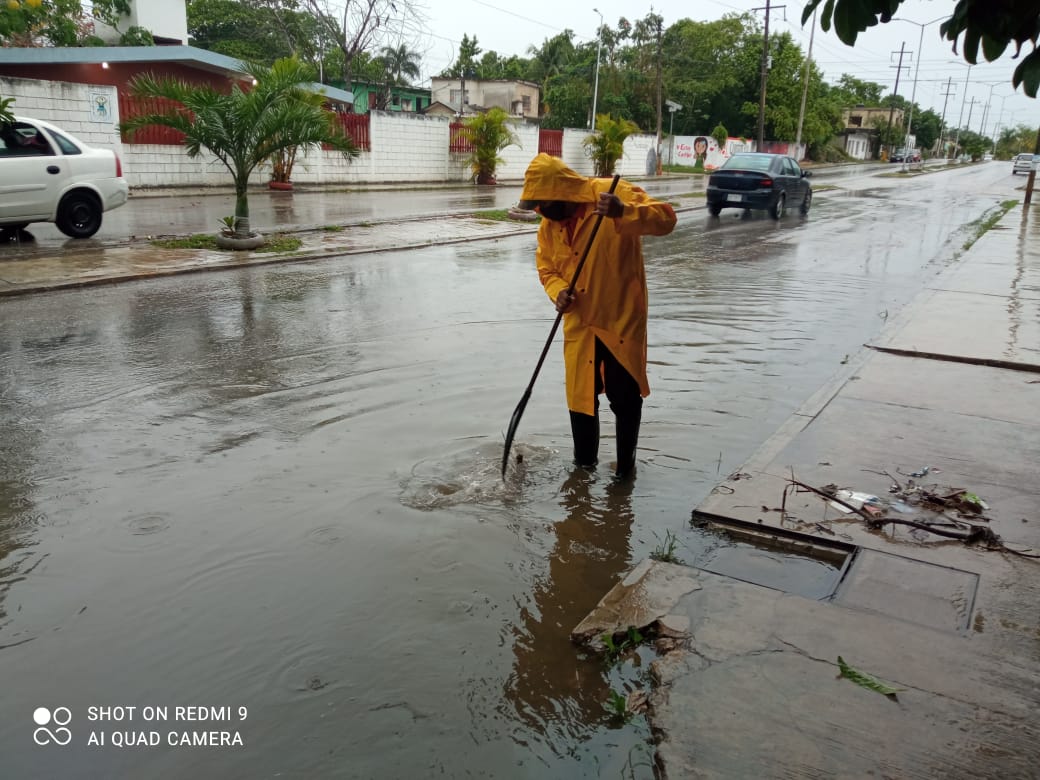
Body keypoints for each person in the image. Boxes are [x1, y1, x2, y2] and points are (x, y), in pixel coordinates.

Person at [518, 153, 677, 479]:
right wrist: (558, 290)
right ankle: (583, 473)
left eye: (545, 205)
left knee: (625, 399)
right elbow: (546, 268)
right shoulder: (548, 228)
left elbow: (666, 220)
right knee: (581, 402)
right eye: (537, 207)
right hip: (579, 325)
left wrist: (624, 212)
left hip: (619, 320)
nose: (542, 213)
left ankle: (625, 474)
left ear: (562, 193)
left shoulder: (610, 195)